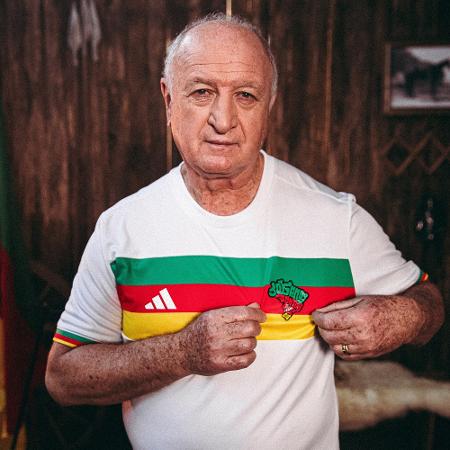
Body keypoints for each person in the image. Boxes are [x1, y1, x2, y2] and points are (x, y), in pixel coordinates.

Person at [45, 13, 444, 450]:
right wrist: (182, 352)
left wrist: (402, 318)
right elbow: (64, 378)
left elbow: (430, 304)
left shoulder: (335, 218)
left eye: (246, 95)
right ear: (168, 101)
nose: (223, 119)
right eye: (202, 92)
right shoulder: (122, 228)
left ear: (268, 106)